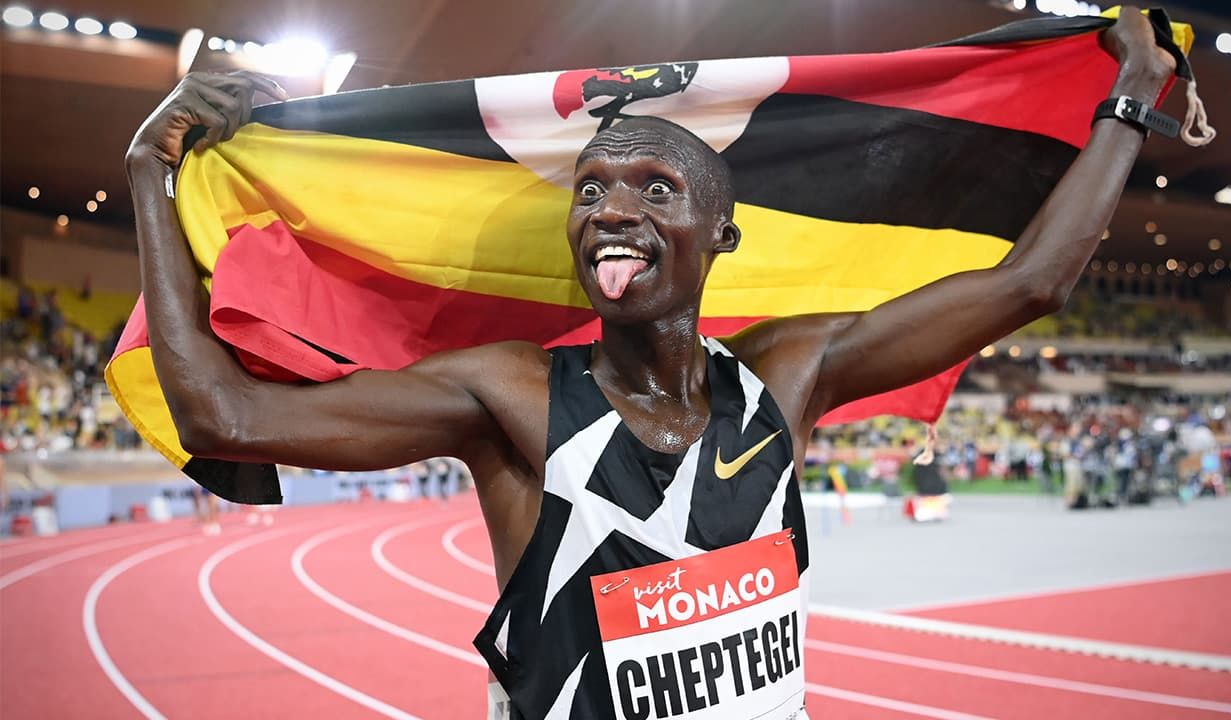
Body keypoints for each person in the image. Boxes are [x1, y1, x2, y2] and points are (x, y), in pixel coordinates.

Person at [124, 9, 1172, 717]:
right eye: (590, 190)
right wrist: (149, 175)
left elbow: (1032, 282)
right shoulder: (511, 395)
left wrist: (1133, 85)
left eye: (653, 190)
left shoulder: (787, 376)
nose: (612, 209)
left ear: (721, 234)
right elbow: (226, 418)